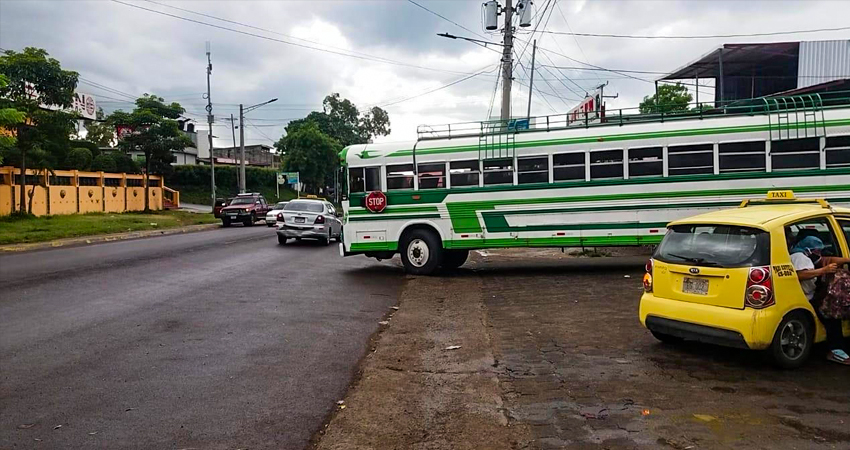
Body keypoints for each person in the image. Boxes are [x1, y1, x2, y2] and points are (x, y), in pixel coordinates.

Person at [790, 236, 850, 365]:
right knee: (831, 316)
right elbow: (800, 274)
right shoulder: (800, 257)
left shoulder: (806, 256)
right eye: (817, 251)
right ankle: (836, 350)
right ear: (809, 249)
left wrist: (846, 259)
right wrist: (823, 271)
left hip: (810, 294)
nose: (819, 253)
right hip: (805, 298)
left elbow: (826, 260)